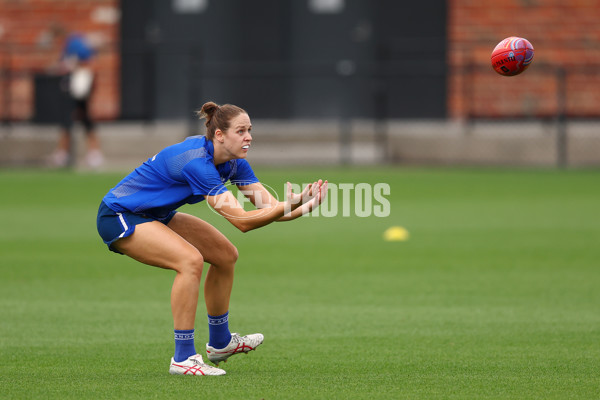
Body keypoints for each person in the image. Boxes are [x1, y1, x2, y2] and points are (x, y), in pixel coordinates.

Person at [96, 102, 328, 376]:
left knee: (225, 255)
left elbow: (269, 209)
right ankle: (183, 358)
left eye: (250, 130)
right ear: (219, 135)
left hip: (155, 214)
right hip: (120, 215)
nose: (248, 137)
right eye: (241, 131)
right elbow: (242, 221)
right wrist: (288, 206)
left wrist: (302, 206)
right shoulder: (196, 163)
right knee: (189, 260)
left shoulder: (234, 164)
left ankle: (220, 343)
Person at [49, 31, 104, 168]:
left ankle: (92, 154)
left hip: (78, 89)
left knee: (80, 119)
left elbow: (89, 60)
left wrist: (73, 65)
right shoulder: (70, 44)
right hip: (73, 88)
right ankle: (64, 153)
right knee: (70, 120)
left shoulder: (73, 43)